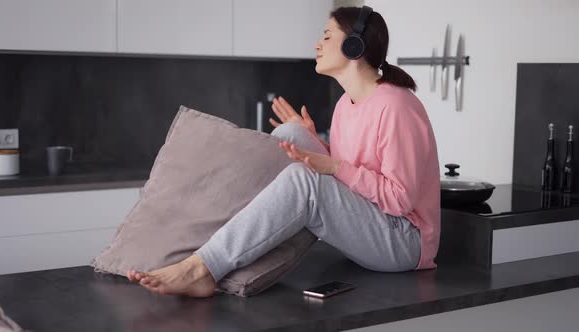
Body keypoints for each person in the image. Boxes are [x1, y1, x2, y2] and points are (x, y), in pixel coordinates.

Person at [126, 6, 440, 297]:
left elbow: (399, 199)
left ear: (354, 47)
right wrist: (314, 139)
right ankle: (211, 246)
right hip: (373, 222)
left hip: (404, 240)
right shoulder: (347, 104)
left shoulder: (397, 106)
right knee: (290, 134)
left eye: (327, 36)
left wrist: (328, 164)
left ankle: (203, 268)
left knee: (304, 181)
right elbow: (354, 167)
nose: (317, 44)